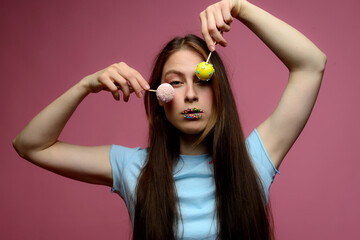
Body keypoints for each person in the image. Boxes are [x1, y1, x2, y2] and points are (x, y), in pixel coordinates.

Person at [12, 0, 326, 239]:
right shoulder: (133, 169)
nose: (190, 95)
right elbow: (30, 145)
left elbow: (311, 64)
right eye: (175, 82)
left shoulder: (254, 159)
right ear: (159, 99)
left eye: (202, 81)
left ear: (219, 92)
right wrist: (86, 86)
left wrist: (240, 7)